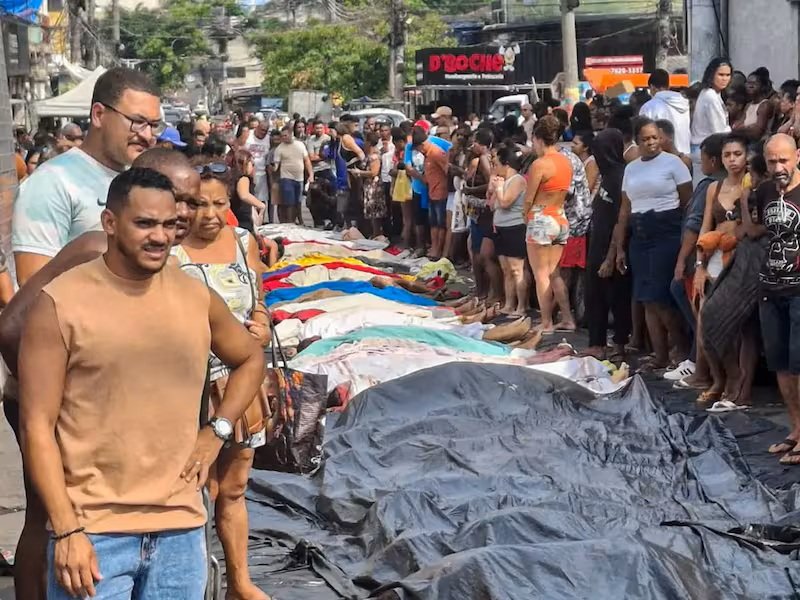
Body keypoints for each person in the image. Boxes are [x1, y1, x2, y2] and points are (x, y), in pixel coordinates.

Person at [18, 167, 265, 600]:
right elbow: (36, 426)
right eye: (145, 224)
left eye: (170, 225)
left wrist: (217, 431)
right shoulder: (60, 303)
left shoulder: (194, 297)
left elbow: (249, 358)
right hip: (95, 534)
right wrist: (67, 528)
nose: (160, 237)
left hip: (181, 531)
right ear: (110, 223)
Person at [0, 148, 200, 600]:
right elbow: (12, 327)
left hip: (152, 482)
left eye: (189, 202)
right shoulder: (95, 250)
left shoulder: (173, 265)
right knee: (47, 521)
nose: (182, 214)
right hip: (61, 419)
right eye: (174, 201)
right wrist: (68, 388)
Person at [172, 158, 272, 599]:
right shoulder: (168, 249)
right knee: (195, 487)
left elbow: (258, 295)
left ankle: (239, 582)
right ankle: (192, 583)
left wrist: (262, 321)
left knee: (234, 486)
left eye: (219, 203)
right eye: (198, 203)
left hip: (241, 380)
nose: (209, 214)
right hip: (186, 386)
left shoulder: (243, 240)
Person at [12, 67, 163, 285]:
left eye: (154, 125)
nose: (147, 135)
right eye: (137, 122)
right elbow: (33, 281)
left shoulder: (144, 178)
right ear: (99, 115)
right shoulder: (52, 182)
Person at [607, 118, 693, 371]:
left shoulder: (674, 163)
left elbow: (686, 202)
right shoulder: (631, 169)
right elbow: (625, 209)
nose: (652, 143)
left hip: (666, 230)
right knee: (645, 298)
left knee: (660, 297)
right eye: (645, 139)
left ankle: (682, 351)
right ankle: (660, 355)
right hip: (640, 233)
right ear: (637, 141)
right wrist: (619, 246)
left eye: (655, 137)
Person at [693, 133, 756, 406]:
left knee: (740, 328)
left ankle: (739, 383)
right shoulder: (713, 189)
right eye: (728, 155)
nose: (732, 160)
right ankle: (720, 378)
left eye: (738, 154)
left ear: (747, 157)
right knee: (706, 323)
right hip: (714, 259)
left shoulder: (753, 185)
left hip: (741, 260)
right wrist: (699, 265)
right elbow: (705, 227)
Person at [669, 133, 726, 387]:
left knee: (692, 302)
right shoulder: (722, 184)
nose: (701, 164)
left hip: (704, 256)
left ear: (713, 160)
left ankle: (696, 360)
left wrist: (684, 260)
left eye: (702, 159)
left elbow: (695, 226)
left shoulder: (709, 186)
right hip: (713, 256)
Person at [523, 115, 574, 333]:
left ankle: (546, 322)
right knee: (554, 273)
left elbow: (528, 198)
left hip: (541, 217)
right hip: (560, 217)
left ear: (537, 138)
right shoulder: (566, 161)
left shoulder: (540, 164)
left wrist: (526, 217)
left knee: (541, 274)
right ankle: (568, 319)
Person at [585, 128, 632, 360]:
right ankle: (597, 342)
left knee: (617, 297)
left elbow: (621, 219)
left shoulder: (620, 177)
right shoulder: (607, 175)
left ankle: (620, 344)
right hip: (597, 243)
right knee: (594, 295)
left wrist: (611, 256)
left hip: (611, 248)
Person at [491, 145, 530, 316]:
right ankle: (509, 304)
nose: (494, 167)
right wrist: (494, 189)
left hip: (515, 227)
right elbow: (493, 205)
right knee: (506, 270)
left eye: (496, 164)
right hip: (501, 227)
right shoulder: (502, 181)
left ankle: (521, 306)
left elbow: (506, 202)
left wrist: (499, 189)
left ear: (506, 164)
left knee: (517, 270)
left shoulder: (518, 181)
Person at [691, 58, 733, 184]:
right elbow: (719, 131)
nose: (724, 79)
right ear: (711, 75)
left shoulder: (713, 94)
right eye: (720, 75)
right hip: (707, 151)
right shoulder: (710, 97)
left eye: (727, 75)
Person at [413, 126, 449, 259]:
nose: (418, 152)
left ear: (422, 145)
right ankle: (434, 248)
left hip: (440, 192)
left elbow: (447, 170)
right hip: (432, 191)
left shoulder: (436, 153)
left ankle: (438, 250)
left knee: (440, 223)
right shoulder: (428, 154)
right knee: (433, 223)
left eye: (418, 149)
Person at [639, 69, 691, 155]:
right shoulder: (684, 103)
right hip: (685, 154)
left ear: (652, 87)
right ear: (668, 85)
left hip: (663, 157)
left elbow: (643, 134)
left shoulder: (649, 107)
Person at [349, 132, 387, 238]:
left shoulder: (374, 156)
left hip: (374, 188)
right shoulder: (368, 156)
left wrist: (359, 172)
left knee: (375, 213)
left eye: (366, 141)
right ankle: (373, 233)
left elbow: (374, 172)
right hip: (367, 186)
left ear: (369, 143)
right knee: (370, 213)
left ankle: (377, 234)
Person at [273, 125, 313, 224]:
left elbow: (307, 160)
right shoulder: (279, 148)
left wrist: (311, 174)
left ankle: (298, 220)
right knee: (289, 203)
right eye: (282, 136)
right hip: (286, 178)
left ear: (291, 134)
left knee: (298, 202)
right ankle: (290, 223)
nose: (283, 138)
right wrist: (273, 170)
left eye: (285, 135)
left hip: (299, 178)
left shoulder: (300, 145)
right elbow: (276, 165)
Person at [231, 149, 266, 233]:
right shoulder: (243, 178)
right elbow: (244, 195)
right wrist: (261, 205)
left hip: (236, 217)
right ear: (245, 163)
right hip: (242, 220)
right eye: (252, 164)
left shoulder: (232, 176)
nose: (254, 167)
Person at [244, 118, 271, 224]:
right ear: (257, 127)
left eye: (265, 130)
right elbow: (239, 146)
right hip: (247, 172)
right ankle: (250, 220)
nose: (263, 132)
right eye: (261, 129)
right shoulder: (248, 134)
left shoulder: (268, 139)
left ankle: (260, 221)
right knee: (249, 198)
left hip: (261, 173)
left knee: (261, 200)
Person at [737, 67, 775, 143]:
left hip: (758, 143)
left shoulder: (765, 105)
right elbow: (737, 126)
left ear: (762, 86)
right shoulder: (748, 105)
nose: (750, 86)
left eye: (754, 83)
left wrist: (742, 128)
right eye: (748, 83)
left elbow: (757, 132)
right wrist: (749, 127)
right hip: (745, 140)